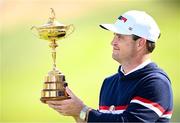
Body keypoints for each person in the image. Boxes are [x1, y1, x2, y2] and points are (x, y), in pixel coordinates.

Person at [47, 10, 173, 122]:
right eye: (114, 35)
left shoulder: (156, 83)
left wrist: (83, 110)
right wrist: (76, 113)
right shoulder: (109, 82)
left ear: (140, 43)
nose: (113, 42)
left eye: (120, 36)